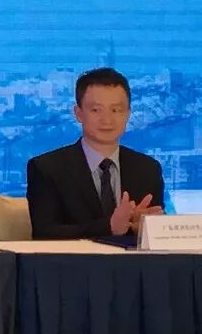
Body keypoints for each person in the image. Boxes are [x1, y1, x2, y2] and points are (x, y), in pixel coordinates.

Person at [27, 67, 164, 240]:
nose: (107, 120)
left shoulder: (148, 169)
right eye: (96, 110)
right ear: (78, 113)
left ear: (128, 114)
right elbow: (43, 233)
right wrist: (109, 227)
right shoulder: (47, 168)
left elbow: (157, 235)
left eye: (116, 110)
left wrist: (143, 229)